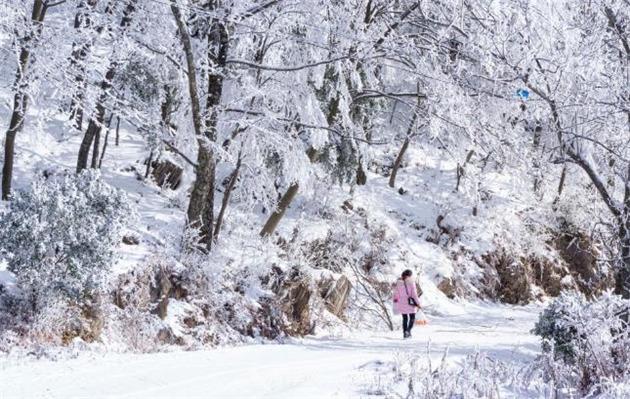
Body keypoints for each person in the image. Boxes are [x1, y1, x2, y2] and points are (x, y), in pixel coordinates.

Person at [392, 269, 421, 338]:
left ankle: (405, 333)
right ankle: (408, 331)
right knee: (412, 318)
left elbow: (395, 294)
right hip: (410, 302)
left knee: (405, 318)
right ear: (409, 275)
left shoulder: (398, 283)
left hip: (401, 303)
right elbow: (414, 295)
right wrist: (418, 303)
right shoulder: (411, 283)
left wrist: (395, 300)